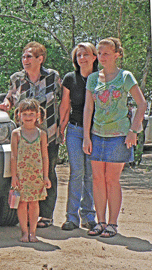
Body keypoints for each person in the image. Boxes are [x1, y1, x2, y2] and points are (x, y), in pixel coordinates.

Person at [83, 37, 146, 238]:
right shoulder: (93, 79)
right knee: (97, 179)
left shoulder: (125, 76)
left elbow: (141, 104)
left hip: (119, 135)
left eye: (106, 53)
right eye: (100, 53)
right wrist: (86, 136)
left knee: (112, 180)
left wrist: (133, 131)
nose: (102, 57)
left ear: (117, 54)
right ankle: (100, 222)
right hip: (97, 134)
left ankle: (112, 224)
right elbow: (88, 108)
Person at [0, 41, 62, 228]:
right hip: (24, 136)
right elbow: (10, 97)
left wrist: (62, 126)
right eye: (23, 57)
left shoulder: (53, 77)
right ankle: (25, 214)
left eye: (29, 57)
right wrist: (5, 104)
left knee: (47, 171)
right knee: (22, 173)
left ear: (40, 59)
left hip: (48, 133)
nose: (24, 60)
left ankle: (46, 215)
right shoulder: (17, 78)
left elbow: (64, 100)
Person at [59, 43, 98, 231]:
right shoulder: (70, 79)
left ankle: (88, 216)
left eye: (86, 54)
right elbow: (65, 106)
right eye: (79, 55)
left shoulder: (101, 77)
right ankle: (71, 218)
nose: (82, 58)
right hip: (75, 130)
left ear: (94, 57)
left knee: (90, 175)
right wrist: (61, 128)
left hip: (96, 132)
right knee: (77, 173)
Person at [11, 98, 51, 242]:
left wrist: (46, 177)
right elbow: (13, 156)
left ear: (38, 115)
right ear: (19, 115)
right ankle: (24, 232)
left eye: (31, 114)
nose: (28, 117)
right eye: (25, 114)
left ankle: (33, 233)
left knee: (34, 203)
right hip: (21, 176)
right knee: (22, 203)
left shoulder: (42, 134)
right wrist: (14, 176)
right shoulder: (16, 134)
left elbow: (45, 157)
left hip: (36, 176)